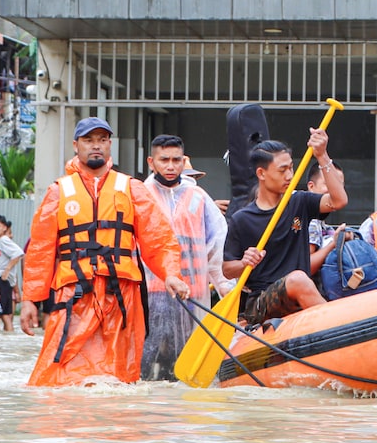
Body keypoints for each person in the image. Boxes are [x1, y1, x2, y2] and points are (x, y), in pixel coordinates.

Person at [20, 116, 189, 386]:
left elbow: (158, 238)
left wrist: (171, 274)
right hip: (73, 295)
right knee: (57, 376)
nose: (96, 145)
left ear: (110, 145)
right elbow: (40, 250)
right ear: (76, 145)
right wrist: (30, 299)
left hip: (121, 296)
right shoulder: (58, 192)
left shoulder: (131, 188)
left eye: (102, 140)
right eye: (89, 140)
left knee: (120, 376)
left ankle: (115, 427)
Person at [223, 131, 348, 326]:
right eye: (282, 170)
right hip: (261, 302)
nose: (290, 175)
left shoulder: (299, 201)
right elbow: (227, 270)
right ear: (261, 174)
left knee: (299, 280)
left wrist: (322, 155)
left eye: (291, 168)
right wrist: (244, 262)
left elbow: (339, 201)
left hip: (299, 295)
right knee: (297, 279)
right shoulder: (242, 219)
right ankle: (338, 327)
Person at [140, 134, 231, 381]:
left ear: (184, 161)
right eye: (164, 160)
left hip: (192, 293)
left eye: (176, 160)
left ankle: (180, 413)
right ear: (151, 162)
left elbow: (217, 243)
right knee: (148, 357)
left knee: (184, 360)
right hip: (153, 292)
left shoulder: (199, 198)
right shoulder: (140, 196)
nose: (170, 166)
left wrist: (223, 283)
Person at [0, 216, 24, 332]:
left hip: (0, 281)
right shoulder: (0, 241)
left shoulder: (3, 240)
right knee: (5, 315)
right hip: (5, 282)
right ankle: (8, 340)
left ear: (4, 228)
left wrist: (7, 270)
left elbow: (19, 253)